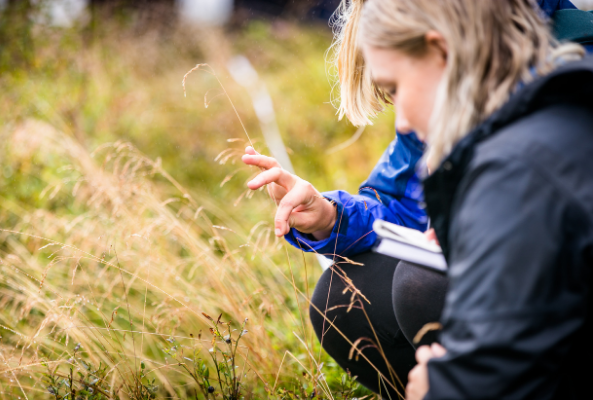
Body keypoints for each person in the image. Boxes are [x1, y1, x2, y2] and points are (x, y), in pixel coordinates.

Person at [242, 0, 588, 397]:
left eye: (396, 88)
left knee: (418, 282)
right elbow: (401, 206)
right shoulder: (452, 88)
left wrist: (446, 386)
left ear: (440, 47)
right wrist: (330, 217)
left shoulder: (558, 100)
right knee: (342, 300)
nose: (402, 122)